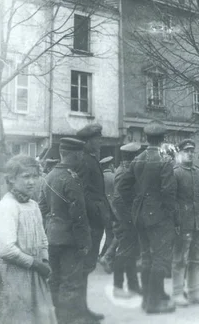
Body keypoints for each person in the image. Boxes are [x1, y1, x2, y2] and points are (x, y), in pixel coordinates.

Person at [0, 155, 57, 324]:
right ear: (12, 179)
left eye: (35, 176)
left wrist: (44, 259)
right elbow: (6, 250)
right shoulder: (8, 206)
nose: (31, 182)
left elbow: (42, 239)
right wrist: (36, 264)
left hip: (31, 274)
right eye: (25, 176)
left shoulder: (33, 205)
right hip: (10, 275)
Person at [118, 120, 178, 314]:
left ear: (146, 138)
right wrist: (170, 215)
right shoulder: (165, 161)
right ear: (162, 140)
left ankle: (147, 300)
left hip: (140, 216)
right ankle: (154, 303)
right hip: (159, 217)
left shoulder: (138, 159)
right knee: (160, 258)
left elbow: (123, 187)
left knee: (146, 257)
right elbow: (169, 193)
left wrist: (136, 203)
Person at [39, 138, 93, 324]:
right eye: (81, 155)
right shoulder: (71, 179)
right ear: (76, 154)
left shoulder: (49, 176)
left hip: (52, 237)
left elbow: (42, 207)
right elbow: (79, 215)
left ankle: (55, 319)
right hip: (70, 240)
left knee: (54, 280)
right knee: (71, 283)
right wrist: (84, 242)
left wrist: (52, 225)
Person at [171, 139, 199, 306]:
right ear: (180, 153)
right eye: (186, 151)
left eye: (192, 151)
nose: (190, 154)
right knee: (179, 259)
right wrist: (176, 221)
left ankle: (194, 293)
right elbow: (172, 200)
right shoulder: (175, 173)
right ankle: (176, 293)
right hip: (183, 223)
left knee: (196, 259)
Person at [76, 123, 110, 321]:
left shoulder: (91, 159)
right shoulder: (84, 161)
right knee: (82, 268)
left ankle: (83, 309)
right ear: (87, 142)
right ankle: (79, 311)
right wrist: (96, 214)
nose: (100, 141)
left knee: (87, 268)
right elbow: (82, 193)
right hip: (89, 222)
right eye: (96, 139)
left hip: (95, 221)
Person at [109, 142, 143, 298]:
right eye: (134, 157)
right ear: (130, 158)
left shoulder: (128, 170)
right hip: (125, 219)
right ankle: (117, 287)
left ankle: (133, 285)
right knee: (123, 252)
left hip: (128, 218)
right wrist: (127, 219)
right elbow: (117, 199)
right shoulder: (123, 173)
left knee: (131, 252)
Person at [98, 155, 116, 272]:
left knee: (104, 234)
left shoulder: (99, 178)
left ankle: (102, 254)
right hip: (112, 210)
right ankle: (106, 257)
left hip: (100, 210)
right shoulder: (114, 177)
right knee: (112, 235)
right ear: (111, 165)